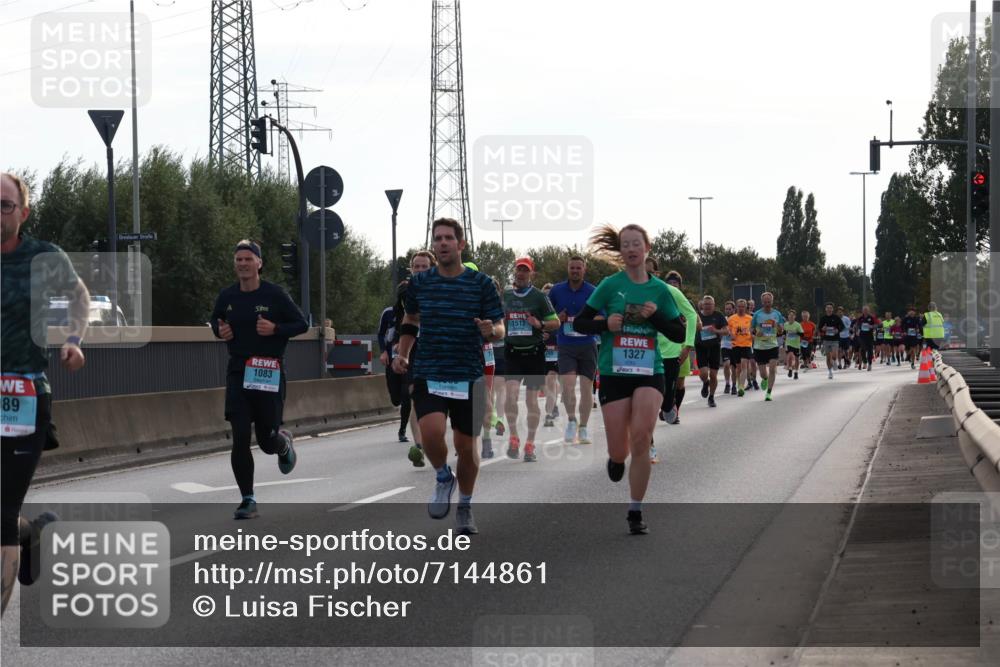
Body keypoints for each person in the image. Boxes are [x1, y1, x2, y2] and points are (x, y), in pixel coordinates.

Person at [1, 172, 90, 614]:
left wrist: (73, 340)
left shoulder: (43, 257)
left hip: (24, 399)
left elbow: (79, 298)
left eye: (5, 205)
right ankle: (30, 532)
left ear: (24, 212)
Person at [393, 218, 505, 535]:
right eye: (437, 238)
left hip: (468, 372)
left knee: (466, 448)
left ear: (461, 244)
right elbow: (411, 319)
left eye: (448, 238)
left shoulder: (480, 284)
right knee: (430, 433)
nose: (442, 243)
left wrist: (491, 331)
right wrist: (403, 353)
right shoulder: (420, 283)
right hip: (430, 369)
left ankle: (465, 506)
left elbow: (499, 327)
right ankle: (443, 476)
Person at [573, 224, 685, 534]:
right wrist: (605, 324)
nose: (632, 249)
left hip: (651, 372)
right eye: (626, 245)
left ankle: (635, 512)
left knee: (640, 436)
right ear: (621, 251)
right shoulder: (610, 285)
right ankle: (616, 459)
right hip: (613, 373)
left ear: (647, 248)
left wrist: (656, 317)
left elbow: (678, 331)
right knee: (619, 449)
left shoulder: (661, 290)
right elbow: (581, 322)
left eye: (637, 243)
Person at [211, 240, 308, 520]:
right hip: (239, 372)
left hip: (268, 371)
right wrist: (220, 330)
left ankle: (283, 443)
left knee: (266, 441)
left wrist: (276, 328)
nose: (242, 263)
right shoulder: (227, 296)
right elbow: (215, 319)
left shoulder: (275, 295)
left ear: (259, 263)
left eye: (248, 259)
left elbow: (301, 324)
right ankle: (247, 499)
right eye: (238, 259)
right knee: (240, 437)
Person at [502, 257, 559, 462]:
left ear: (531, 274)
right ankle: (514, 438)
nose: (521, 274)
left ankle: (530, 444)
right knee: (511, 395)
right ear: (514, 272)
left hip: (534, 353)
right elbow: (499, 318)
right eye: (518, 269)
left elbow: (556, 322)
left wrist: (539, 323)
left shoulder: (539, 297)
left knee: (531, 400)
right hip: (513, 352)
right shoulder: (506, 295)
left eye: (525, 270)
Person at [547, 256, 600, 445]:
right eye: (572, 268)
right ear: (568, 269)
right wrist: (556, 317)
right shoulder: (557, 290)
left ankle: (583, 428)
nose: (575, 271)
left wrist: (587, 322)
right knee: (568, 386)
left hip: (587, 344)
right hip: (566, 344)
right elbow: (546, 313)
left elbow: (603, 316)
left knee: (586, 388)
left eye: (579, 268)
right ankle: (571, 420)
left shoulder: (593, 291)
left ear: (584, 270)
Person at [390, 251, 436, 466]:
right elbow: (401, 319)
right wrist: (399, 346)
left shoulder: (441, 288)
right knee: (413, 395)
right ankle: (419, 446)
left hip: (437, 349)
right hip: (413, 348)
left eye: (424, 267)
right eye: (415, 266)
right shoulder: (404, 291)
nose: (419, 270)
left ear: (432, 268)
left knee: (437, 399)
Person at [660, 270, 697, 425]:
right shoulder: (659, 298)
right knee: (663, 382)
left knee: (679, 382)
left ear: (680, 286)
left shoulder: (685, 303)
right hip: (662, 346)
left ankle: (674, 409)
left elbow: (697, 321)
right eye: (670, 283)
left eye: (676, 283)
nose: (673, 286)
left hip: (681, 346)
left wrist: (687, 343)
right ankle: (668, 406)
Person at [750, 292, 785, 401]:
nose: (767, 304)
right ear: (762, 302)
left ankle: (769, 393)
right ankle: (765, 379)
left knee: (773, 370)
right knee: (762, 373)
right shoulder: (757, 314)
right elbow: (751, 329)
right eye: (765, 302)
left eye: (769, 301)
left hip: (772, 345)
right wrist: (755, 334)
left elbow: (781, 330)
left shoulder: (777, 314)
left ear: (772, 301)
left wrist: (778, 326)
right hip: (759, 347)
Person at [695, 295, 728, 407]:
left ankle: (711, 397)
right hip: (701, 347)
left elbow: (726, 331)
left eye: (710, 304)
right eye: (705, 304)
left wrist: (716, 330)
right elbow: (687, 326)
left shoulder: (718, 316)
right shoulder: (697, 316)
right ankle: (705, 382)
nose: (707, 306)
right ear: (702, 305)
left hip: (714, 347)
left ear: (714, 305)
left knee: (713, 375)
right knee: (704, 373)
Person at [540, 283, 561, 427]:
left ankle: (548, 414)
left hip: (556, 350)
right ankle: (554, 405)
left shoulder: (558, 311)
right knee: (546, 384)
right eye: (545, 295)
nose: (547, 297)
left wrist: (551, 334)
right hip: (541, 352)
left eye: (550, 294)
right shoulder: (537, 310)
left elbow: (562, 328)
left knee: (551, 380)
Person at [727, 299, 754, 396]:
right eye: (739, 306)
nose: (741, 308)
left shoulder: (750, 318)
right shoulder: (731, 319)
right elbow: (728, 330)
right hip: (735, 345)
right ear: (737, 307)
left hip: (746, 344)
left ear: (746, 307)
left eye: (743, 306)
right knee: (738, 368)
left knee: (744, 365)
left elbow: (753, 330)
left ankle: (741, 386)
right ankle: (739, 384)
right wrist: (730, 334)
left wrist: (754, 335)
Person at [817, 302, 845, 379]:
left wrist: (837, 330)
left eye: (830, 308)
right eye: (827, 308)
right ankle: (830, 372)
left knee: (834, 355)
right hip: (826, 339)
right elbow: (819, 328)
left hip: (835, 339)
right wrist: (822, 329)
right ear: (825, 309)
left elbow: (842, 326)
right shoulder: (823, 318)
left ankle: (835, 361)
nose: (829, 309)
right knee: (828, 357)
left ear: (832, 309)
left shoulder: (836, 317)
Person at [855, 306, 878, 371]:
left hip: (869, 336)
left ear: (868, 311)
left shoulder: (872, 318)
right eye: (864, 310)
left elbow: (876, 325)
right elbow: (857, 325)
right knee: (862, 349)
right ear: (862, 311)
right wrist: (857, 331)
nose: (865, 311)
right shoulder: (860, 318)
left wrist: (871, 326)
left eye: (866, 310)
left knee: (870, 350)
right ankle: (865, 362)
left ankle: (870, 364)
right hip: (862, 336)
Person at [720, 300, 736, 394]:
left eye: (730, 309)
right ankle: (727, 384)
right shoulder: (722, 319)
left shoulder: (737, 319)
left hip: (734, 345)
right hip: (725, 345)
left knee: (734, 368)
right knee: (726, 365)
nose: (728, 311)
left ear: (734, 309)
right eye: (726, 309)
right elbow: (720, 330)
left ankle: (734, 385)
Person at [783, 309, 803, 380]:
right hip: (788, 343)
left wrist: (795, 332)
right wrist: (784, 336)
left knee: (797, 359)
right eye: (789, 315)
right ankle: (790, 369)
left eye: (792, 315)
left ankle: (796, 372)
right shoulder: (785, 324)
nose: (791, 317)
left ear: (795, 317)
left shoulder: (797, 325)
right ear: (788, 316)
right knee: (790, 356)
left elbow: (802, 334)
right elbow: (784, 332)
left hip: (796, 344)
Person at [746, 298, 759, 390]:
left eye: (752, 305)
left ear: (754, 306)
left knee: (753, 363)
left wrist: (755, 336)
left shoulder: (755, 316)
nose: (750, 306)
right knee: (746, 363)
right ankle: (749, 382)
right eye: (749, 305)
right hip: (744, 343)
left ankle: (754, 380)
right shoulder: (740, 316)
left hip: (754, 342)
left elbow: (758, 329)